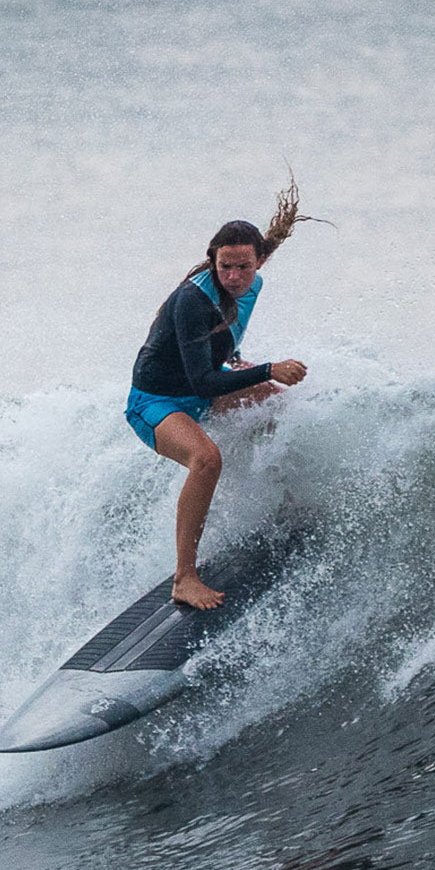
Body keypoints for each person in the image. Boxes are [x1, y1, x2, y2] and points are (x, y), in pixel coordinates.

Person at [125, 179, 310, 610]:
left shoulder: (252, 286)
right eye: (224, 267)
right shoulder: (192, 301)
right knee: (206, 459)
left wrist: (240, 361)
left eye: (243, 267)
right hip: (157, 402)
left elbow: (225, 336)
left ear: (259, 261)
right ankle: (184, 577)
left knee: (274, 403)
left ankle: (284, 506)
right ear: (213, 260)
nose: (233, 277)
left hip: (198, 386)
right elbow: (204, 383)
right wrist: (269, 368)